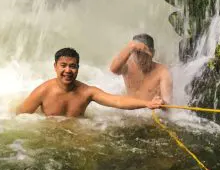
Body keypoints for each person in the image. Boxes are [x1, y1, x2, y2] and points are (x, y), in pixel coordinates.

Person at [16, 47, 165, 117]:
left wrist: (147, 103)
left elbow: (117, 101)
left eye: (72, 66)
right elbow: (20, 116)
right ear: (55, 67)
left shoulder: (87, 92)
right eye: (63, 66)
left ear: (78, 69)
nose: (68, 70)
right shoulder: (43, 91)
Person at [109, 34, 173, 104]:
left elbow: (168, 105)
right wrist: (131, 47)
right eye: (135, 52)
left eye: (142, 53)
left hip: (148, 112)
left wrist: (161, 103)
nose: (139, 57)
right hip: (130, 109)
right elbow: (114, 69)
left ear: (152, 53)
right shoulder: (127, 66)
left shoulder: (163, 72)